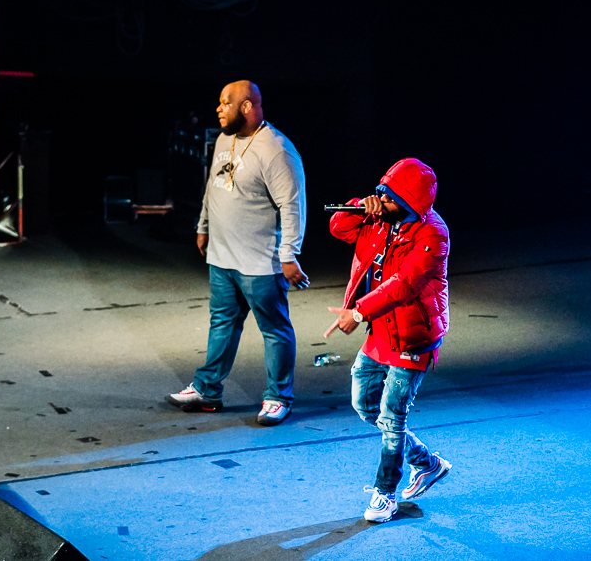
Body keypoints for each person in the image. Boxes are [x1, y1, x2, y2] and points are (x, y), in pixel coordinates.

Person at [166, 80, 309, 426]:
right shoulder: (223, 139)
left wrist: (289, 254)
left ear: (246, 106)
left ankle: (278, 397)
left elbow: (292, 206)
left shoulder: (276, 149)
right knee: (222, 324)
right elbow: (212, 189)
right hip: (223, 257)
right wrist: (203, 226)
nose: (218, 108)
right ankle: (207, 390)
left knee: (274, 329)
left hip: (261, 262)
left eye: (225, 102)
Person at [324, 157, 451, 523]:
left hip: (413, 336)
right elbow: (338, 227)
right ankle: (427, 463)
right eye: (380, 191)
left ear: (411, 203)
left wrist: (358, 312)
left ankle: (385, 494)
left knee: (392, 418)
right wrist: (361, 206)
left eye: (389, 196)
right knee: (365, 405)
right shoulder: (381, 220)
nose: (382, 199)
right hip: (381, 330)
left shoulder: (433, 233)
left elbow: (406, 283)